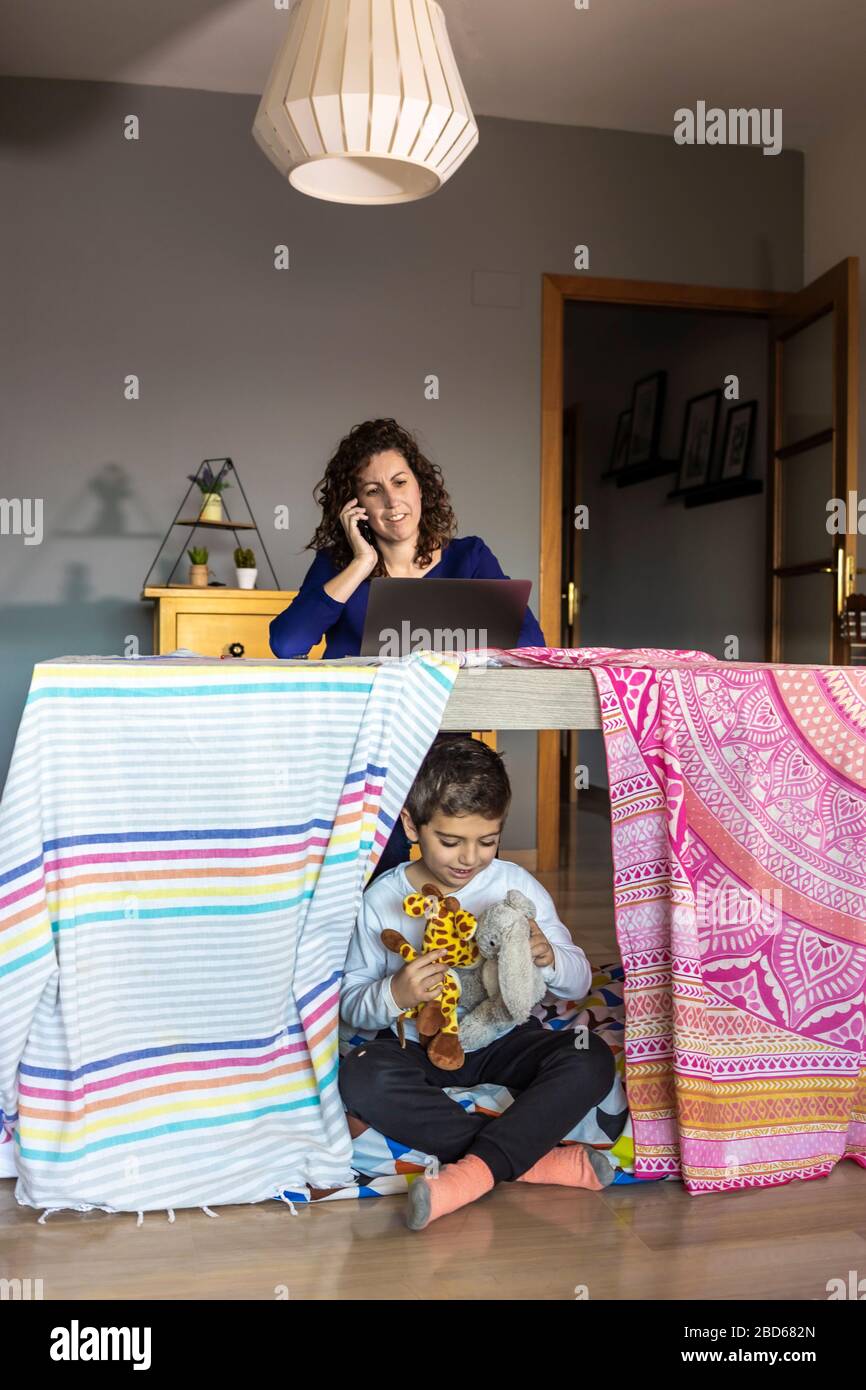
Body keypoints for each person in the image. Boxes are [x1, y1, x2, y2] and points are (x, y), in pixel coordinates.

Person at [338, 737, 617, 1231]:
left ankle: (473, 1170)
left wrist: (549, 957)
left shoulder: (515, 886)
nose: (470, 858)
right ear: (411, 826)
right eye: (450, 841)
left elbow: (576, 982)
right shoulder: (382, 898)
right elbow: (352, 1005)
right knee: (360, 1074)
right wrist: (394, 994)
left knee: (588, 1053)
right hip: (419, 1044)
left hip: (504, 1034)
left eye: (487, 841)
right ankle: (533, 1161)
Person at [269, 418, 546, 876]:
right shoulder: (337, 566)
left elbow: (531, 645)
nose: (392, 501)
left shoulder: (468, 557)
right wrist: (362, 563)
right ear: (354, 505)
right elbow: (287, 642)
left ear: (422, 487)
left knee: (460, 863)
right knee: (378, 867)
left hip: (445, 741)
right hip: (359, 745)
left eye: (400, 482)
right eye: (373, 490)